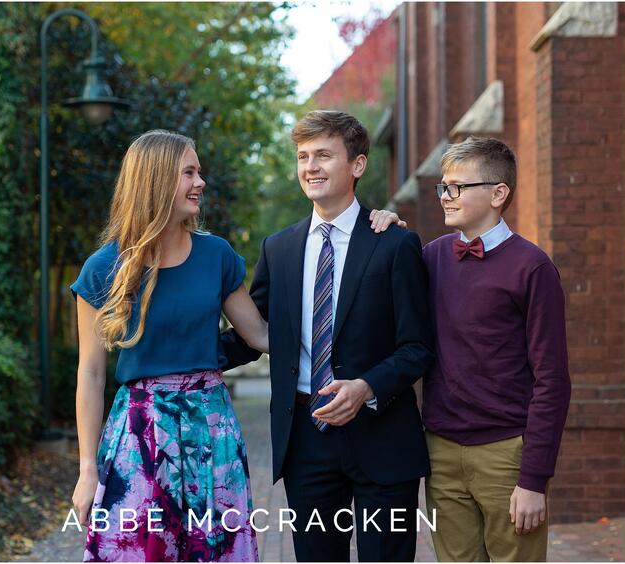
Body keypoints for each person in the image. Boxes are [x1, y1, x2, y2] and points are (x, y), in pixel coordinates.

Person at [222, 110, 435, 562]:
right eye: (302, 156)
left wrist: (367, 386)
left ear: (357, 165)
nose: (310, 167)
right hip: (306, 439)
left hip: (382, 438)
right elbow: (252, 334)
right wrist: (174, 354)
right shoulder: (278, 249)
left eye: (323, 154)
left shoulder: (394, 243)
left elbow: (419, 347)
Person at [69, 130, 268, 562]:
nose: (201, 182)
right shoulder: (104, 267)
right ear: (156, 180)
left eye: (200, 172)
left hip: (211, 431)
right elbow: (91, 372)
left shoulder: (216, 255)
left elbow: (261, 336)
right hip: (138, 433)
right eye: (189, 173)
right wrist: (87, 470)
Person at [370, 137, 572, 561]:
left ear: (498, 193)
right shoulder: (431, 256)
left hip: (507, 453)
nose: (446, 196)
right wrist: (387, 234)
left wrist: (534, 478)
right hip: (440, 449)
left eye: (458, 187)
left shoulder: (532, 267)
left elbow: (552, 380)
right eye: (443, 186)